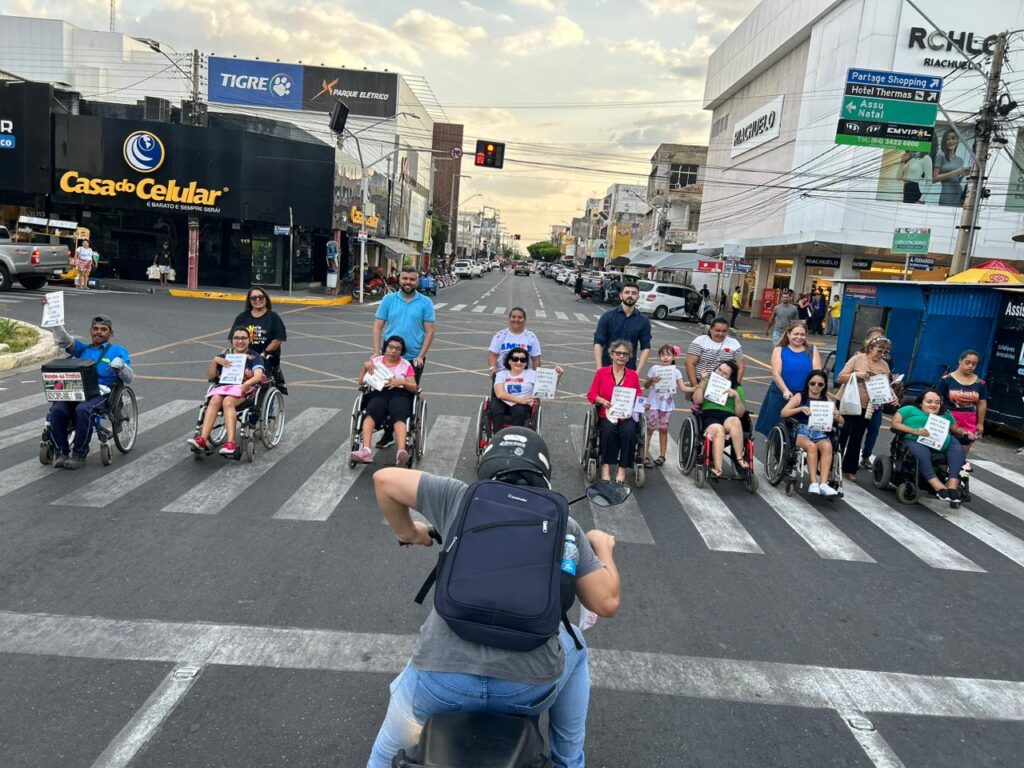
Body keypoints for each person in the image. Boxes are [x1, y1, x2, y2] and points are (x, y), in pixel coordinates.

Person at [367, 428, 621, 768]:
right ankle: (568, 761)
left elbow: (384, 480)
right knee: (577, 648)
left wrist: (410, 533)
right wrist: (602, 545)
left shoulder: (459, 497)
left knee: (387, 751)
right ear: (543, 475)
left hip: (441, 681)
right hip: (527, 689)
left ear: (486, 467)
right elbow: (606, 604)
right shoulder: (565, 525)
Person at [46, 313, 133, 469]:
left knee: (83, 409)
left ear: (110, 333)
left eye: (103, 329)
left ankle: (79, 454)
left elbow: (128, 377)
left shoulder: (118, 351)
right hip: (77, 391)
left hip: (101, 394)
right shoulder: (82, 349)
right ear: (90, 331)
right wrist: (52, 316)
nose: (98, 332)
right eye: (95, 329)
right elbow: (63, 340)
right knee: (58, 409)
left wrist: (120, 366)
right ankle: (60, 452)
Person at [373, 265, 436, 448]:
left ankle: (404, 431)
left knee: (406, 394)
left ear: (418, 281)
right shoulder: (388, 299)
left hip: (412, 358)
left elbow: (429, 331)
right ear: (399, 279)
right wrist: (377, 352)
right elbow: (378, 327)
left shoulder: (425, 303)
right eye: (405, 279)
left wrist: (421, 356)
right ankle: (388, 433)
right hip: (389, 357)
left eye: (412, 279)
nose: (408, 282)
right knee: (384, 392)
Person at [188, 326, 266, 457]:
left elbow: (258, 376)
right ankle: (202, 439)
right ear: (231, 340)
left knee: (228, 401)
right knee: (215, 399)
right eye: (236, 338)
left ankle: (230, 443)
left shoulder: (254, 357)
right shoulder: (225, 355)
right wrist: (215, 360)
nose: (240, 341)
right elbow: (211, 377)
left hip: (244, 389)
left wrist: (247, 382)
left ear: (249, 340)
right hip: (225, 387)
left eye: (243, 338)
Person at [892, 389, 973, 504]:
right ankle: (939, 487)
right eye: (929, 401)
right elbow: (895, 423)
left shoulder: (945, 414)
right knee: (922, 453)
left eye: (937, 402)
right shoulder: (909, 410)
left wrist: (964, 433)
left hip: (942, 442)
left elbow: (955, 428)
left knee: (957, 450)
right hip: (916, 439)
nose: (933, 405)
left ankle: (953, 486)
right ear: (921, 402)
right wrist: (914, 431)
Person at [351, 335, 419, 466]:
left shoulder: (406, 365)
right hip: (379, 393)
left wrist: (402, 382)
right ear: (386, 348)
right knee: (371, 412)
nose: (394, 351)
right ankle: (365, 450)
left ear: (401, 351)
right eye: (391, 347)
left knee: (399, 415)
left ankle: (401, 452)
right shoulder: (375, 361)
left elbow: (415, 387)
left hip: (400, 393)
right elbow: (360, 382)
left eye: (398, 349)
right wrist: (365, 366)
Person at [836, 335, 896, 482]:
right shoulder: (857, 359)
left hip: (867, 406)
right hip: (848, 402)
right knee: (842, 434)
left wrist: (892, 395)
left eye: (885, 352)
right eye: (879, 351)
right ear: (870, 348)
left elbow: (886, 385)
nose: (882, 355)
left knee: (857, 437)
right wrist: (858, 375)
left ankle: (849, 468)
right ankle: (833, 464)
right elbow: (840, 378)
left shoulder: (884, 365)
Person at [587, 339, 644, 484]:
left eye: (625, 354)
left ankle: (622, 468)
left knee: (629, 431)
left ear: (629, 356)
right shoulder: (602, 373)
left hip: (626, 415)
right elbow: (591, 394)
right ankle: (605, 466)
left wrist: (643, 405)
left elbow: (638, 396)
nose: (621, 356)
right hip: (607, 413)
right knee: (608, 430)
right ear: (612, 355)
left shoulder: (633, 375)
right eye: (618, 353)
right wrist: (602, 401)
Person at [780, 369, 844, 495]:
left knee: (827, 446)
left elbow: (842, 422)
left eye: (820, 384)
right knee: (811, 446)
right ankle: (814, 483)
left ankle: (824, 484)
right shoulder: (800, 396)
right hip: (801, 430)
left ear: (824, 385)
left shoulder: (827, 400)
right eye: (813, 383)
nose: (816, 386)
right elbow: (783, 412)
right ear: (808, 383)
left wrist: (837, 416)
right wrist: (800, 409)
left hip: (819, 431)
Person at [754, 321, 822, 437]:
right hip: (782, 393)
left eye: (802, 334)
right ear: (788, 334)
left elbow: (817, 374)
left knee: (801, 430)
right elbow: (776, 373)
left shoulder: (812, 350)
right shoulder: (780, 350)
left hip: (803, 396)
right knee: (776, 428)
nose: (799, 337)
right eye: (796, 334)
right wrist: (785, 390)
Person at [694, 360, 749, 477]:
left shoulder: (738, 389)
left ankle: (739, 458)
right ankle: (718, 468)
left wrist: (736, 397)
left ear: (731, 377)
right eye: (719, 370)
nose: (719, 374)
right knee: (719, 430)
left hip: (728, 416)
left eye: (724, 374)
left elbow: (740, 414)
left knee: (736, 421)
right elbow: (697, 400)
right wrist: (702, 382)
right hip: (709, 415)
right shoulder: (708, 382)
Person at [936, 349, 987, 473]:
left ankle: (955, 474)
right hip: (949, 418)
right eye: (967, 362)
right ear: (960, 361)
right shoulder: (946, 380)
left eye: (974, 364)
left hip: (969, 420)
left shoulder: (980, 383)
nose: (970, 366)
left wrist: (980, 423)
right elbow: (937, 400)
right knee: (943, 446)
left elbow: (982, 403)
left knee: (963, 449)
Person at [643, 344, 693, 467]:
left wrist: (697, 388)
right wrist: (651, 380)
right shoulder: (655, 369)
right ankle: (644, 455)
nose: (665, 357)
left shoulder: (676, 372)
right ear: (659, 356)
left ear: (673, 356)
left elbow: (683, 387)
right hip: (654, 403)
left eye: (668, 355)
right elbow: (646, 386)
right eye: (662, 355)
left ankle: (662, 455)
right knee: (649, 428)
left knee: (663, 429)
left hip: (667, 404)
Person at [232, 286, 288, 395]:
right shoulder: (242, 317)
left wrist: (263, 354)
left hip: (265, 356)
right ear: (249, 301)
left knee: (261, 383)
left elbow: (278, 339)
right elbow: (233, 337)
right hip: (245, 355)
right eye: (254, 298)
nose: (258, 300)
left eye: (260, 297)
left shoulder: (273, 317)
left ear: (266, 298)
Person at [593, 283, 651, 371]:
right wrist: (599, 369)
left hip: (629, 370)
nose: (630, 295)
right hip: (607, 367)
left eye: (634, 293)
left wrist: (637, 372)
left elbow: (646, 347)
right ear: (621, 295)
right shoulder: (607, 316)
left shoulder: (643, 321)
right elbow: (598, 343)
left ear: (638, 297)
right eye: (627, 292)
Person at [685, 317, 746, 388]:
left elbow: (741, 367)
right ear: (710, 330)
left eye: (724, 331)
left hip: (724, 386)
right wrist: (695, 386)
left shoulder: (734, 343)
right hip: (702, 384)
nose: (720, 334)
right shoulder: (700, 341)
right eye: (717, 330)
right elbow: (689, 363)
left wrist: (734, 386)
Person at [488, 307, 542, 374]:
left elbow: (536, 360)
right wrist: (493, 368)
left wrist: (536, 377)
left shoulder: (532, 337)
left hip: (525, 379)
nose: (516, 319)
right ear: (509, 318)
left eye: (520, 317)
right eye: (513, 317)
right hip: (502, 377)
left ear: (524, 320)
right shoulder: (499, 336)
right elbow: (492, 356)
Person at [933, 128, 971, 207]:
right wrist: (955, 172)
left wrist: (963, 174)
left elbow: (956, 181)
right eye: (948, 139)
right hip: (946, 196)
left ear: (957, 140)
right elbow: (934, 178)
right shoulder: (941, 155)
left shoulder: (960, 160)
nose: (951, 141)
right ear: (944, 141)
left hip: (958, 194)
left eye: (953, 138)